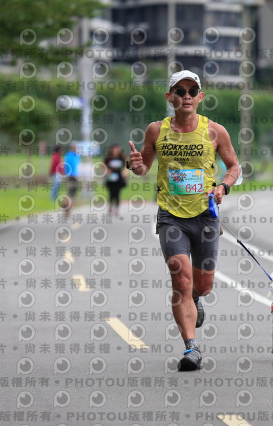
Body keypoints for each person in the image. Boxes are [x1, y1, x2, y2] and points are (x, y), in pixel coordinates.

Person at [126, 70, 241, 371]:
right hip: (170, 215)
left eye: (192, 91)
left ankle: (197, 300)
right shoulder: (156, 130)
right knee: (181, 279)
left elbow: (233, 166)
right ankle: (191, 348)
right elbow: (144, 167)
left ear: (200, 97)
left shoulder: (215, 132)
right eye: (179, 91)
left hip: (205, 215)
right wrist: (135, 165)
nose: (186, 96)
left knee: (202, 285)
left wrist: (223, 186)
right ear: (170, 97)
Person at [103, 145, 127, 217]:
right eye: (113, 148)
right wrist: (107, 171)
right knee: (111, 193)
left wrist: (125, 172)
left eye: (116, 148)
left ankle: (116, 208)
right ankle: (110, 206)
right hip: (110, 178)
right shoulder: (108, 157)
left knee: (117, 193)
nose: (115, 150)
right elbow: (104, 165)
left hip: (119, 177)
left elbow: (126, 165)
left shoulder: (121, 157)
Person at [62, 143, 81, 217]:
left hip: (76, 177)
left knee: (73, 193)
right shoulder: (68, 156)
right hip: (70, 176)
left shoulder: (77, 156)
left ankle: (68, 208)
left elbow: (78, 166)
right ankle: (66, 207)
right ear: (71, 148)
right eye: (74, 148)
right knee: (69, 193)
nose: (76, 149)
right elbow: (66, 166)